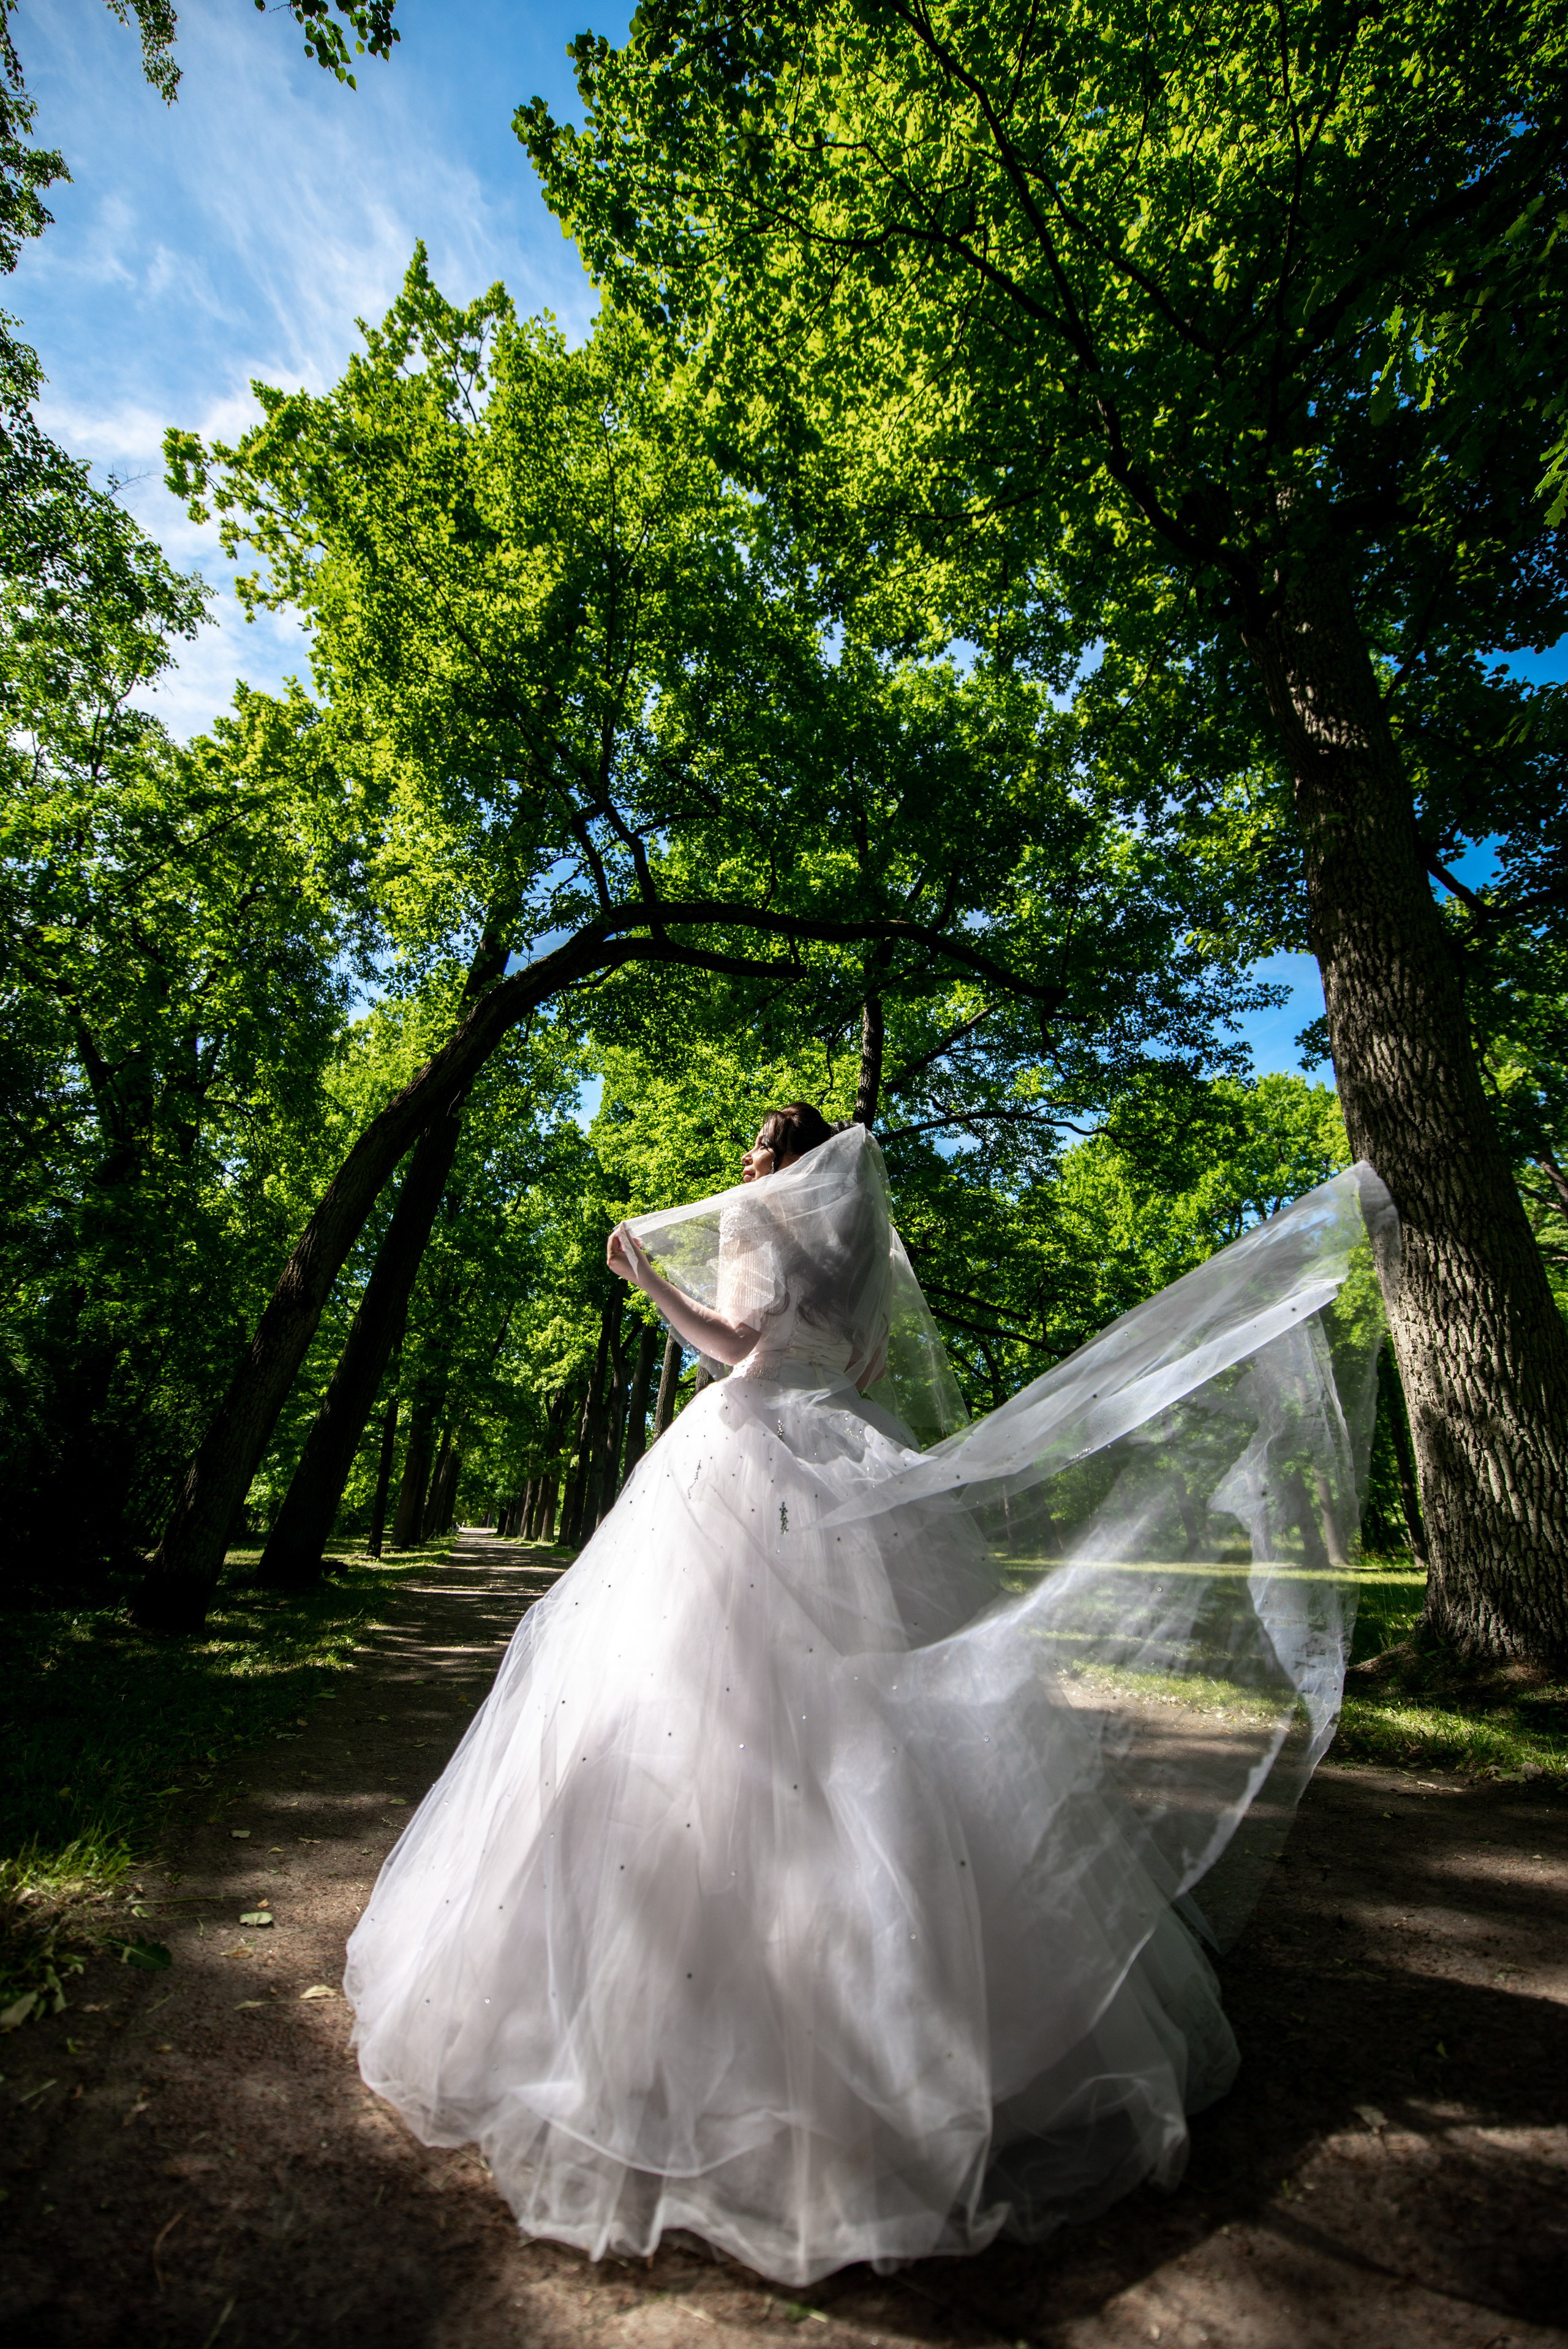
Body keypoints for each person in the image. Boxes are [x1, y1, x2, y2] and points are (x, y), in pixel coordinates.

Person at [346, 1106, 1390, 2285]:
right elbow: (867, 1366)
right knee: (874, 1707)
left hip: (742, 1455)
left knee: (706, 1692)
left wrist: (645, 1275)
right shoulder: (861, 1249)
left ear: (775, 1162)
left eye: (754, 1152)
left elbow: (731, 1343)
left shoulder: (755, 1219)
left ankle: (701, 2037)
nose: (745, 1169)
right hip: (850, 1447)